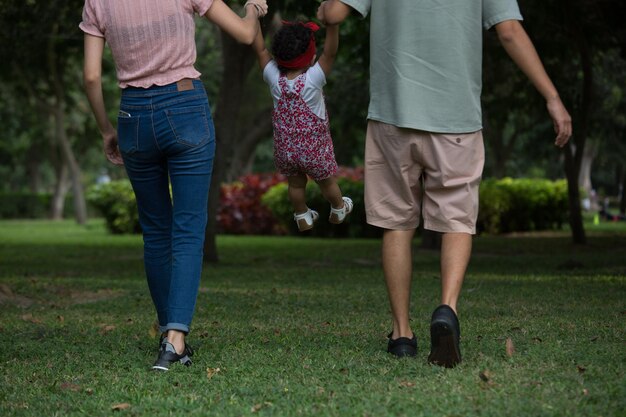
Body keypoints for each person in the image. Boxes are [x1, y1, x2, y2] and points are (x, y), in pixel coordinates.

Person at [318, 0, 572, 367]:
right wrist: (553, 97)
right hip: (457, 117)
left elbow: (335, 13)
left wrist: (325, 12)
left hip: (393, 115)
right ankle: (447, 309)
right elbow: (509, 31)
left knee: (396, 223)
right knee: (456, 219)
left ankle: (402, 334)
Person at [80, 0, 268, 371]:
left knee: (155, 231)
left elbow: (89, 76)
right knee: (187, 229)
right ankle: (175, 340)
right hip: (184, 108)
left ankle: (170, 333)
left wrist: (106, 130)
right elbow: (245, 34)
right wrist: (253, 9)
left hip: (132, 116)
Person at [251, 19, 353, 232]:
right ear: (311, 57)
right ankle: (338, 207)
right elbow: (331, 54)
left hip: (286, 150)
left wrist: (253, 17)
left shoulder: (272, 77)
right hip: (315, 152)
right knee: (327, 182)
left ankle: (301, 214)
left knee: (296, 185)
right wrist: (333, 26)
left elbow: (260, 49)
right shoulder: (313, 79)